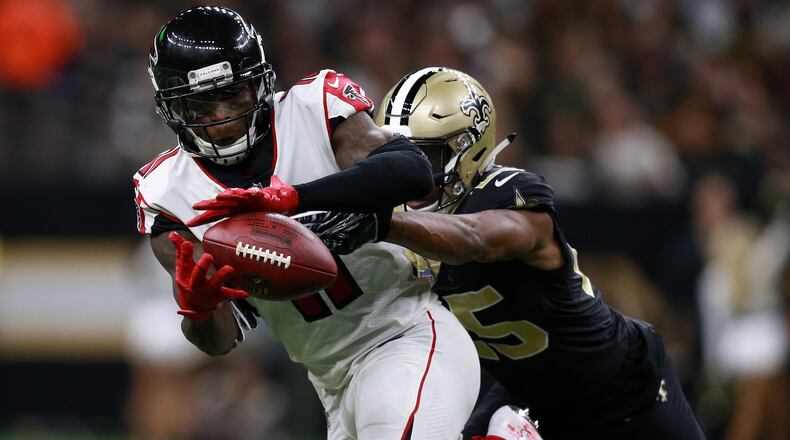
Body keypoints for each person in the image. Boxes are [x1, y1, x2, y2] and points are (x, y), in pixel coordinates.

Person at [303, 67, 707, 440]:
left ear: (468, 152)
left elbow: (476, 237)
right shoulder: (395, 222)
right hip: (529, 395)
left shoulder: (510, 196)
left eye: (423, 159)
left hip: (619, 384)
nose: (407, 175)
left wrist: (384, 225)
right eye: (393, 157)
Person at [132, 8, 480, 440]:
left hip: (404, 337)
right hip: (332, 385)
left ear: (259, 84)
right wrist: (199, 308)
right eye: (202, 104)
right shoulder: (166, 192)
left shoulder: (314, 107)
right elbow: (218, 339)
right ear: (174, 108)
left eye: (233, 95)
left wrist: (299, 198)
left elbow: (411, 171)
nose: (220, 117)